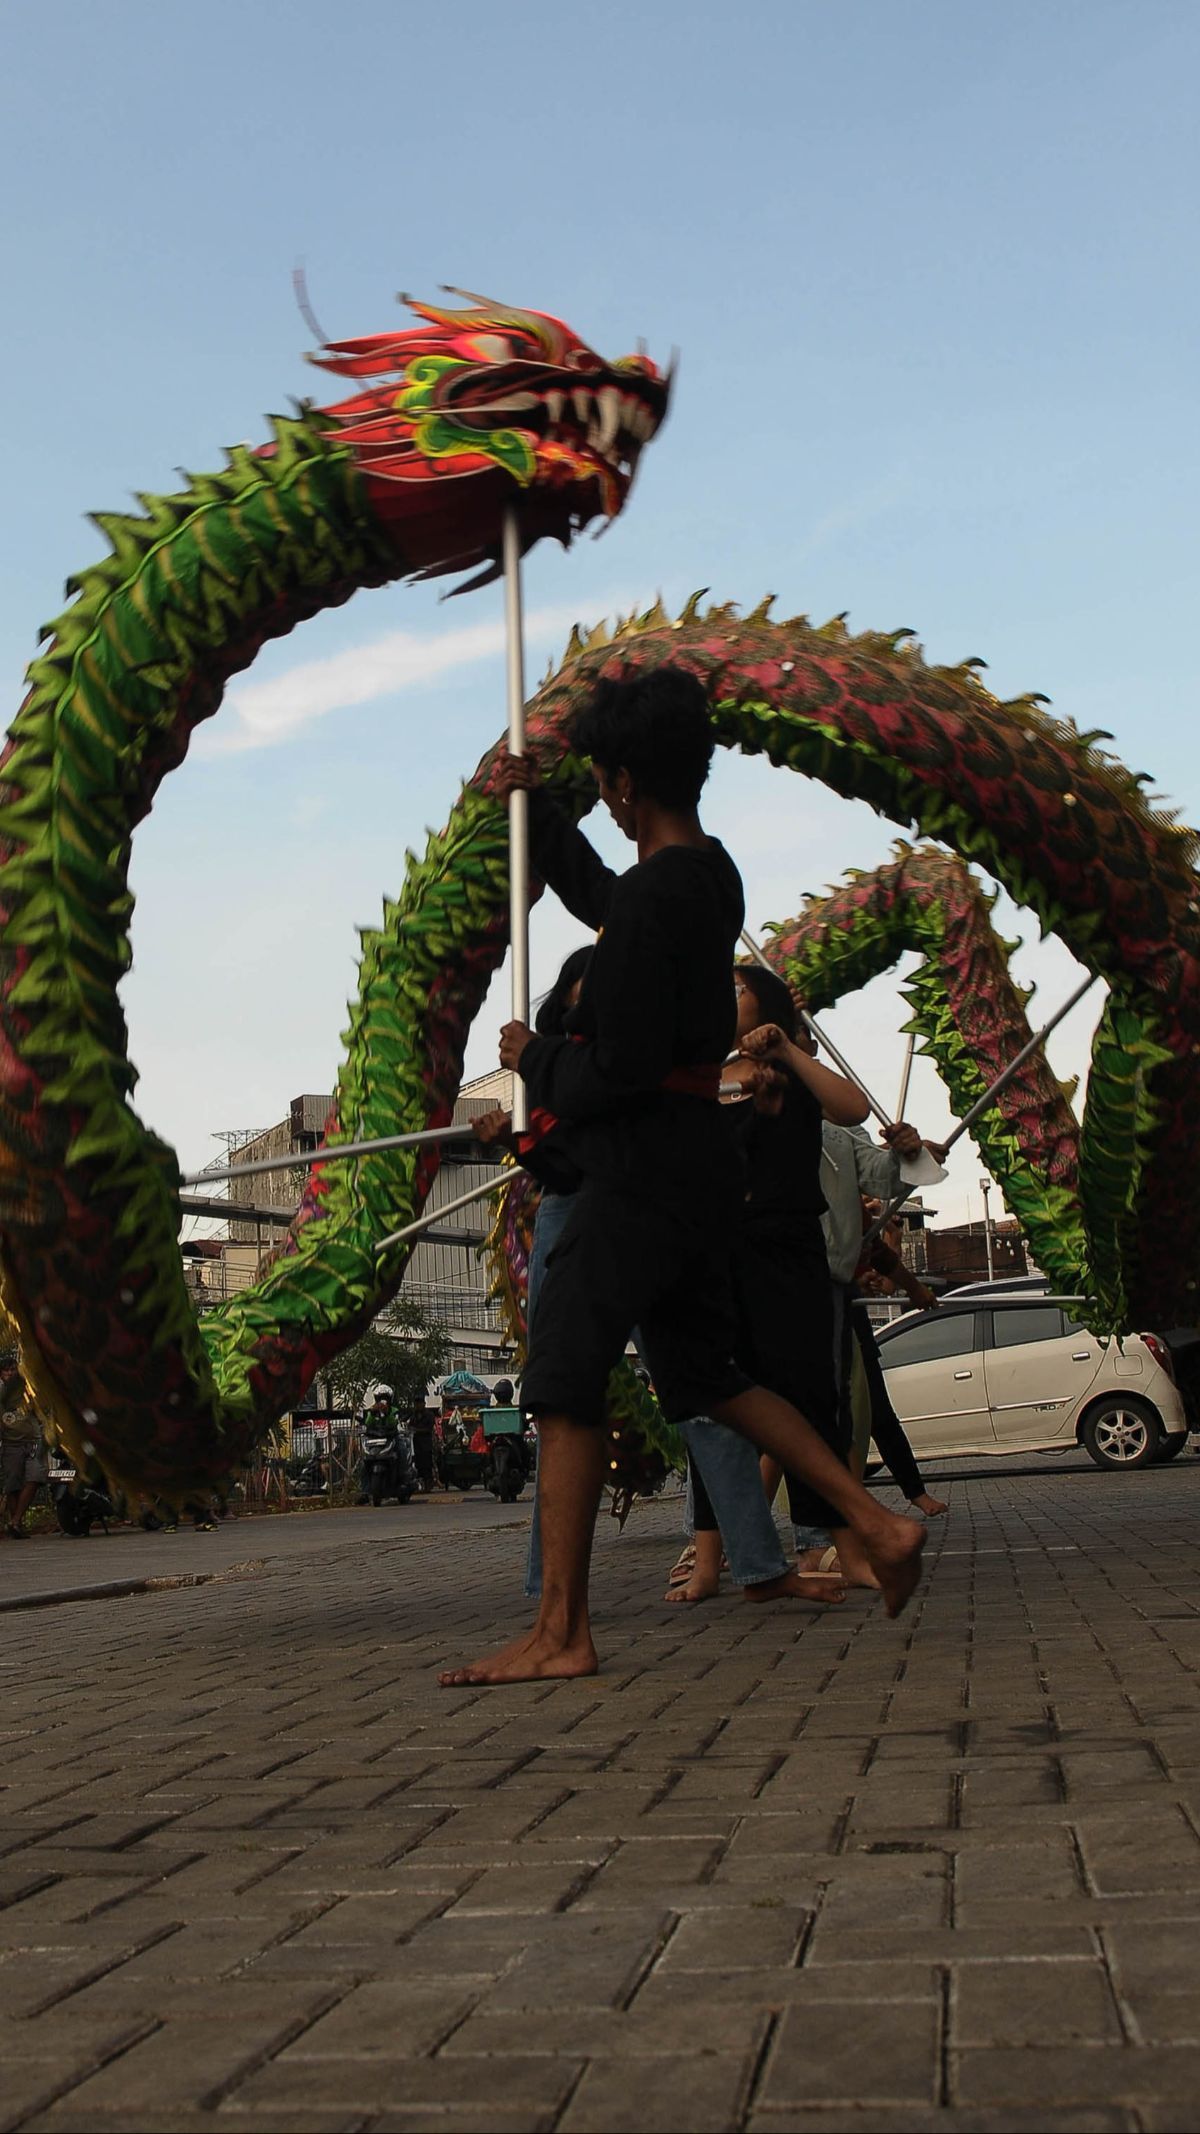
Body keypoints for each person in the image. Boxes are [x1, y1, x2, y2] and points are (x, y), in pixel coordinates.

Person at [438, 668, 924, 1687]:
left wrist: (533, 1055)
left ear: (621, 785)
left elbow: (616, 1067)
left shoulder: (663, 893)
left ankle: (561, 1629)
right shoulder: (710, 875)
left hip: (640, 1169)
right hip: (699, 1165)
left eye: (602, 791)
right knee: (711, 1376)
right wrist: (541, 817)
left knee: (566, 1379)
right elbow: (615, 902)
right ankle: (873, 1522)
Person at [668, 962, 869, 1604]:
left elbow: (853, 1106)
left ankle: (841, 1547)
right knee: (717, 1403)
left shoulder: (793, 1067)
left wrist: (786, 1048)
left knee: (810, 1396)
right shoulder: (701, 1077)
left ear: (770, 1003)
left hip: (787, 1247)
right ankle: (709, 1562)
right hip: (717, 1251)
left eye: (738, 987)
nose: (726, 998)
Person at [1, 1362, 48, 1540]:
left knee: (35, 1477)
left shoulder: (28, 1389)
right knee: (13, 1484)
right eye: (7, 1370)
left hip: (33, 1441)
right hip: (11, 1444)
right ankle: (17, 1524)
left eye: (14, 1370)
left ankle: (15, 1520)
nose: (11, 1373)